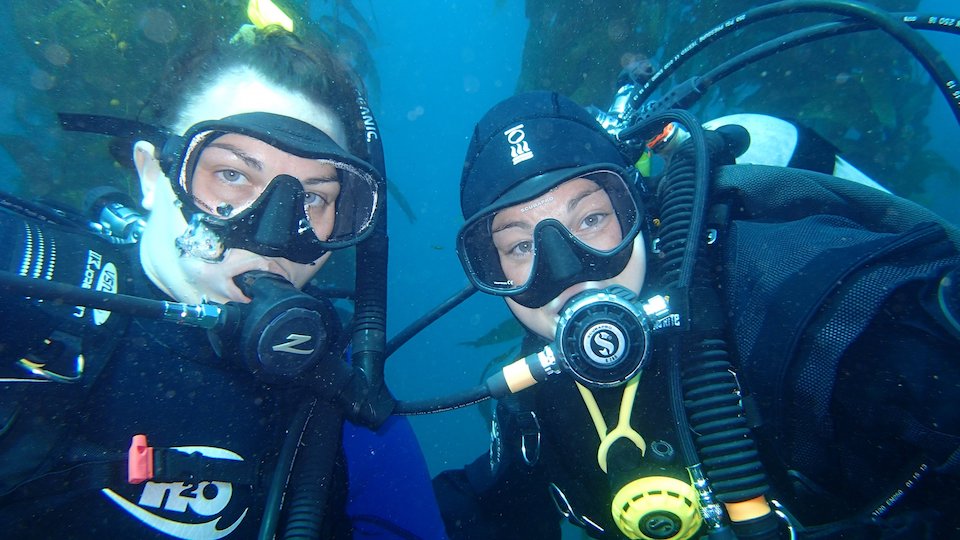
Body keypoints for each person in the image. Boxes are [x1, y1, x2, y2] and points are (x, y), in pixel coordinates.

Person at [433, 91, 960, 539]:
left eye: (591, 217)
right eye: (521, 248)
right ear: (492, 273)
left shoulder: (798, 302)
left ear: (641, 213)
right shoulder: (535, 401)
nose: (567, 271)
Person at [0, 25, 448, 539]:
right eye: (232, 175)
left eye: (312, 199)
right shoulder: (25, 279)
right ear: (152, 174)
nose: (273, 238)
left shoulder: (346, 394)